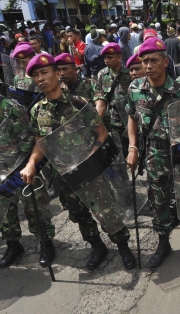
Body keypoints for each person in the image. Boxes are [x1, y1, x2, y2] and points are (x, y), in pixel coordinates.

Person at [20, 53, 136, 270]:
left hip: (90, 172)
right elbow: (40, 143)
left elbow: (101, 133)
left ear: (57, 74)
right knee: (79, 215)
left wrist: (89, 159)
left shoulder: (77, 102)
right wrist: (32, 163)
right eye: (35, 75)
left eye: (44, 72)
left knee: (106, 210)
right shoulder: (37, 111)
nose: (40, 78)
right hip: (63, 177)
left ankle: (123, 246)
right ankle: (97, 246)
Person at [126, 38, 180, 269]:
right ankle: (163, 243)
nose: (148, 65)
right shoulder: (135, 89)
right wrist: (132, 147)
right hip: (155, 155)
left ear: (165, 62)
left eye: (154, 60)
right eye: (144, 61)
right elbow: (132, 118)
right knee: (159, 201)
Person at [0, 95, 54, 268]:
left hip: (20, 166)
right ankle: (13, 245)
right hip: (0, 169)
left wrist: (19, 163)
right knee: (5, 209)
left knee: (34, 206)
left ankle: (46, 243)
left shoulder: (11, 107)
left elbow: (28, 137)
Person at [91, 43, 131, 157]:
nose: (106, 60)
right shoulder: (102, 75)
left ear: (119, 58)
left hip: (129, 119)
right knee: (118, 153)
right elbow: (100, 98)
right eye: (105, 58)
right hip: (114, 121)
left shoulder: (129, 74)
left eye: (110, 57)